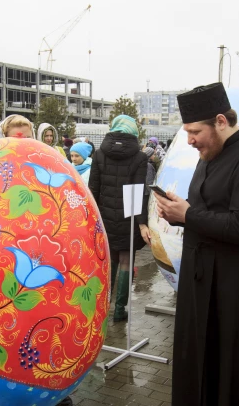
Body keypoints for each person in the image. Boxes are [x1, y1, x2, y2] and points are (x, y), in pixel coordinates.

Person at [154, 82, 239, 405]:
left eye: (194, 131)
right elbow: (208, 207)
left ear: (220, 121)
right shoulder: (209, 153)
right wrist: (178, 211)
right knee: (201, 366)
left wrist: (189, 216)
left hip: (237, 287)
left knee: (235, 372)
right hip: (202, 283)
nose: (190, 140)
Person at [88, 114, 149, 322]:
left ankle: (104, 306)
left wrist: (90, 219)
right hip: (128, 217)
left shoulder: (98, 154)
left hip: (104, 217)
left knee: (108, 261)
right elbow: (140, 192)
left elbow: (92, 190)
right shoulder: (140, 158)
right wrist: (142, 223)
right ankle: (120, 309)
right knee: (125, 261)